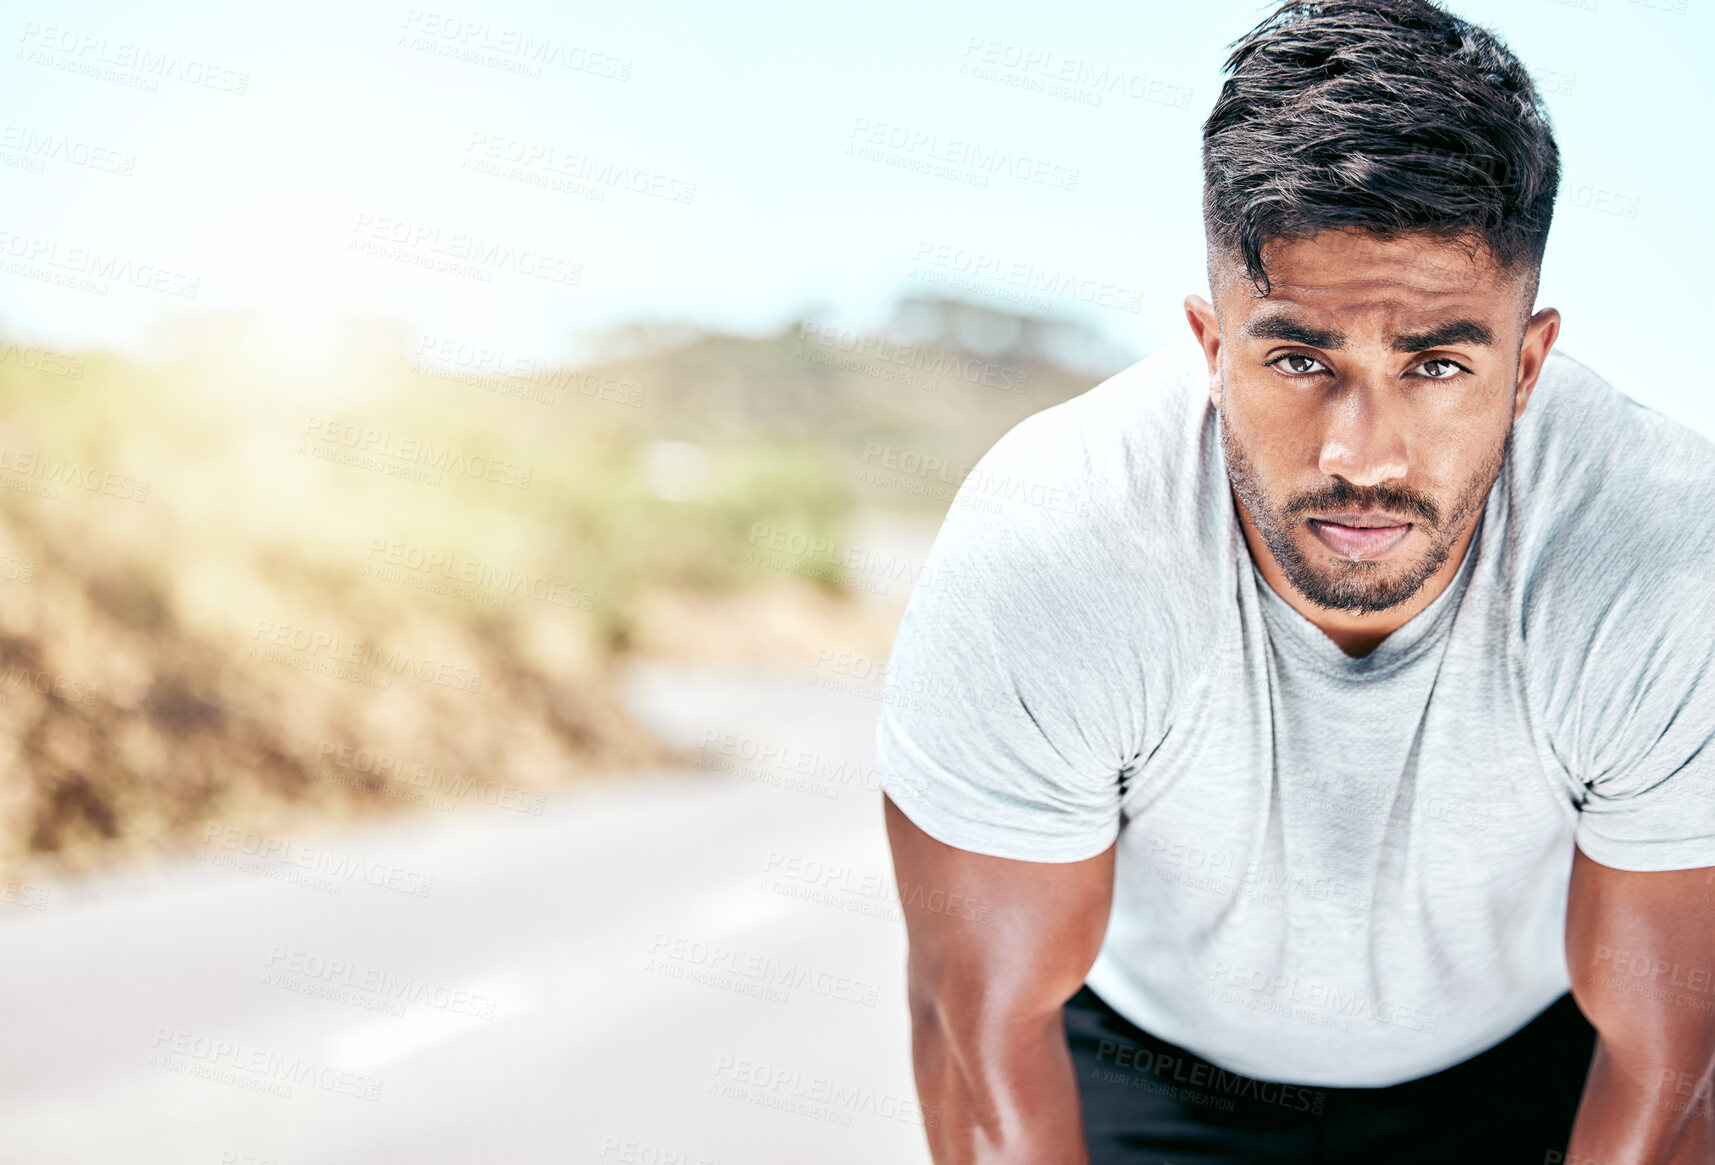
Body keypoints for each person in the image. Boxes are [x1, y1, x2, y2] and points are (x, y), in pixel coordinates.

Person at [874, 1, 1715, 1161]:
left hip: (1517, 1065)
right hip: (1149, 1061)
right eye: (1297, 358)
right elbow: (975, 1027)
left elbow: (1675, 1064)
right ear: (1210, 350)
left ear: (1525, 367)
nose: (1359, 456)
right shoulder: (1053, 541)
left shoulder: (1662, 552)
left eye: (1433, 364)